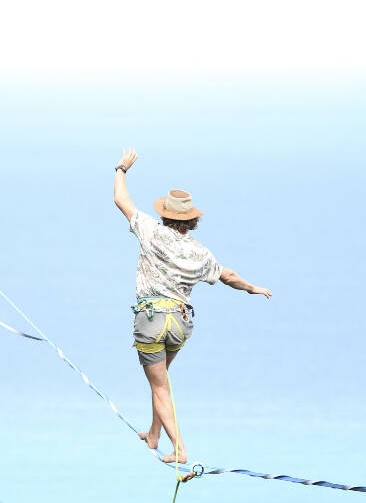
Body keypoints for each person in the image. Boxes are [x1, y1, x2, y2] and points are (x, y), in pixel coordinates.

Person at [114, 148, 271, 464]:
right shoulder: (201, 252)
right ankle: (155, 433)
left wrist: (121, 168)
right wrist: (253, 288)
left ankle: (180, 449)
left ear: (165, 214)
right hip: (181, 323)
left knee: (159, 387)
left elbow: (121, 200)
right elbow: (229, 276)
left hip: (151, 318)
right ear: (190, 221)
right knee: (161, 380)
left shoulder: (150, 231)